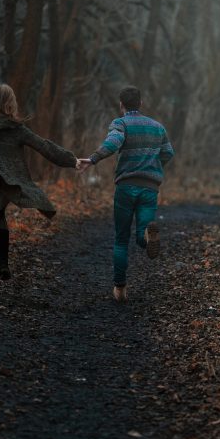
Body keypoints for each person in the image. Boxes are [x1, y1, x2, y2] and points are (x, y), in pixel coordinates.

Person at [0, 83, 79, 292]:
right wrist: (73, 160)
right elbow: (44, 146)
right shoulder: (16, 128)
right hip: (5, 181)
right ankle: (3, 265)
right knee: (0, 217)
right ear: (11, 103)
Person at [79, 86, 174, 302]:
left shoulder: (120, 123)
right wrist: (153, 166)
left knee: (121, 239)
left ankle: (120, 289)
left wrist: (93, 159)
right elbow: (168, 152)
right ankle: (147, 237)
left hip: (126, 187)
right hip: (149, 187)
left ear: (121, 105)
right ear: (141, 103)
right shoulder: (157, 127)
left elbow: (113, 143)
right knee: (142, 233)